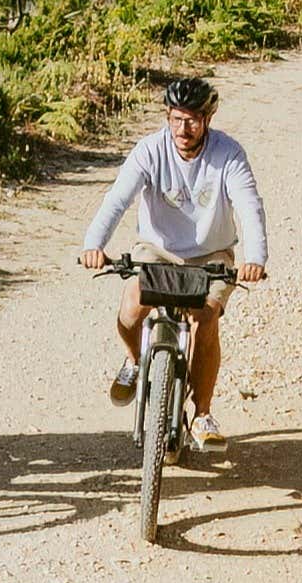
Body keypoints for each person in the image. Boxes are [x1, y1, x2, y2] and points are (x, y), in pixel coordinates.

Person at [76, 75, 271, 458]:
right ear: (167, 116)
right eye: (177, 119)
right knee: (132, 310)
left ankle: (202, 413)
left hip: (211, 254)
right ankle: (135, 362)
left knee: (205, 318)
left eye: (193, 120)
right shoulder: (150, 151)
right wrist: (93, 245)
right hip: (158, 249)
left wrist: (255, 258)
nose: (184, 129)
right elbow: (117, 199)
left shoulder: (227, 154)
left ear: (207, 119)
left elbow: (249, 205)